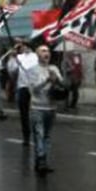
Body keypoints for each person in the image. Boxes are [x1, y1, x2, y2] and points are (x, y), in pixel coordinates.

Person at [28, 45, 65, 175]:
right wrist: (47, 80)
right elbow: (34, 89)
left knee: (47, 136)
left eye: (48, 51)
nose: (46, 53)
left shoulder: (53, 68)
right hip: (37, 107)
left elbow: (62, 83)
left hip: (51, 107)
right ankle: (41, 159)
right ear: (37, 54)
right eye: (43, 51)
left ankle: (41, 160)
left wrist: (58, 80)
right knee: (39, 134)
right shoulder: (32, 70)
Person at [7, 40, 38, 145]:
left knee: (35, 113)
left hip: (34, 87)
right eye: (22, 47)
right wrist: (12, 58)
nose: (23, 48)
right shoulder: (19, 57)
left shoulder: (35, 56)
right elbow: (11, 70)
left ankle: (37, 135)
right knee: (23, 114)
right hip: (22, 87)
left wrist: (19, 61)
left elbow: (28, 68)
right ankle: (26, 137)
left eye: (24, 46)